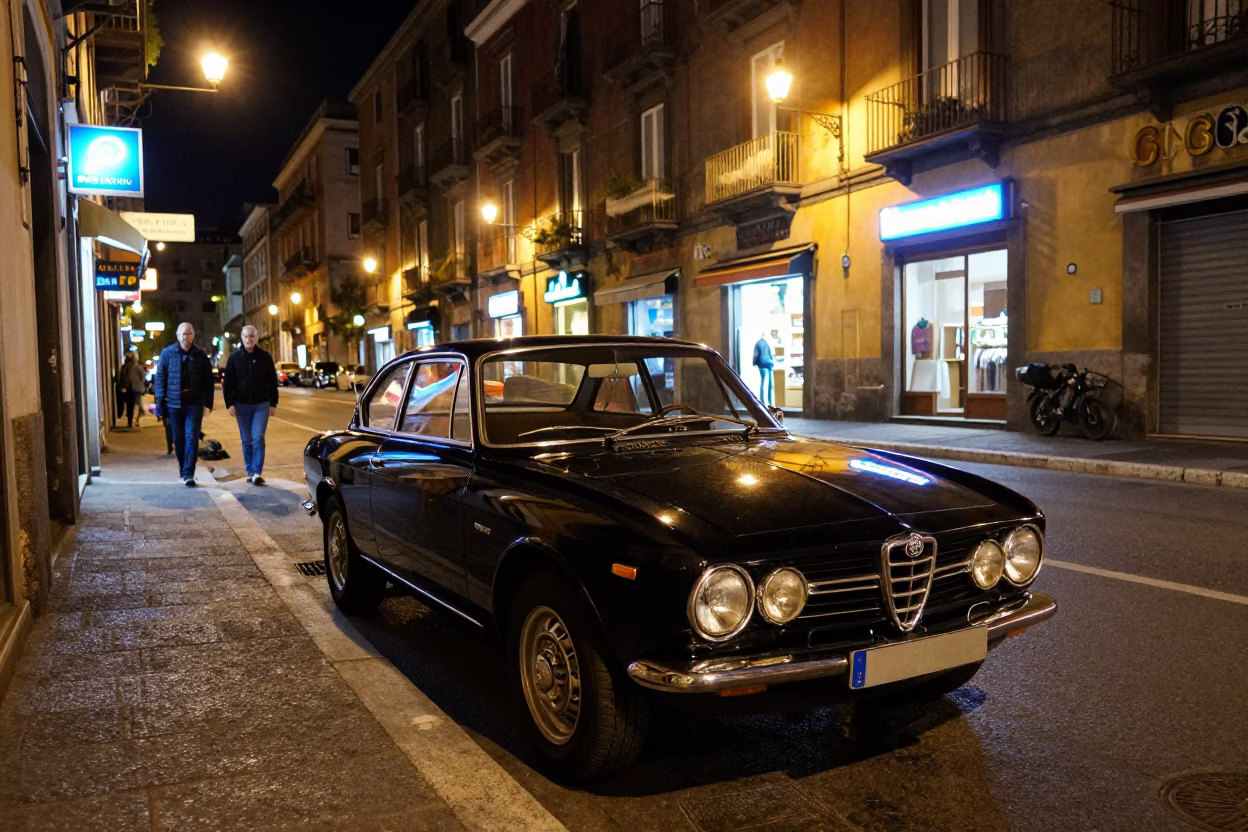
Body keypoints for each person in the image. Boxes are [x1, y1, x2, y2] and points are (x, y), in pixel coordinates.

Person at [153, 322, 214, 486]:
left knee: (191, 438)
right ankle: (183, 468)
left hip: (194, 404)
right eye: (182, 334)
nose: (185, 337)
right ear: (177, 336)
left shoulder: (200, 356)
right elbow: (160, 378)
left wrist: (208, 403)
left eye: (188, 334)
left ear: (193, 335)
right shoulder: (167, 353)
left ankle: (188, 473)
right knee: (178, 439)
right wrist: (159, 400)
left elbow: (209, 381)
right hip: (173, 404)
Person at [223, 325, 279, 485]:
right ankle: (250, 471)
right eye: (246, 336)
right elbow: (228, 383)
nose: (249, 339)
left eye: (252, 336)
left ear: (257, 338)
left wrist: (273, 402)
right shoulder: (234, 358)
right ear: (242, 337)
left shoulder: (265, 357)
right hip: (241, 405)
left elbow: (272, 382)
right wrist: (230, 404)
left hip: (261, 404)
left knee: (258, 438)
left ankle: (257, 473)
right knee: (246, 440)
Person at [119, 354, 146, 428]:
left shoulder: (135, 367)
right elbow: (142, 377)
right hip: (130, 389)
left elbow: (142, 376)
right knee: (131, 405)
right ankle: (131, 422)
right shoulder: (125, 368)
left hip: (134, 389)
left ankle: (133, 421)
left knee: (134, 405)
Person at [752, 332, 775, 407]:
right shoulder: (767, 343)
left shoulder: (758, 343)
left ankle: (762, 402)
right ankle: (770, 403)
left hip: (762, 365)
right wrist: (772, 362)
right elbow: (771, 355)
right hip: (769, 365)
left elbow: (756, 355)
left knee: (763, 383)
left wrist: (754, 363)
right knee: (770, 384)